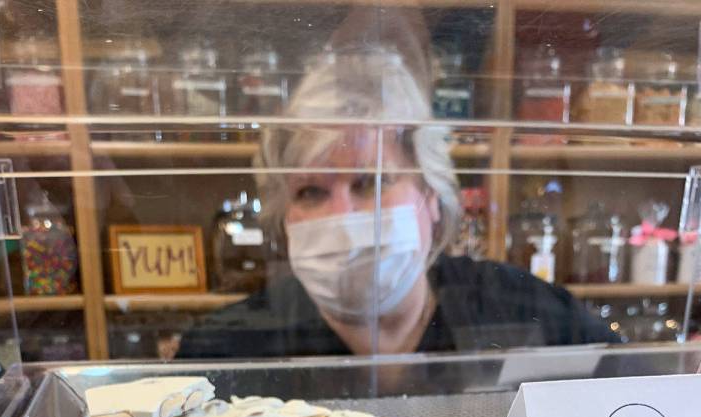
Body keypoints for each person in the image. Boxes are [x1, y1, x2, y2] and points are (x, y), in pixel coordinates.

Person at [180, 47, 615, 359]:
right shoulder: (225, 349)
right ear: (284, 218)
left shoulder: (532, 317)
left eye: (371, 182)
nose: (342, 216)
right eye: (310, 192)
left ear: (431, 196)